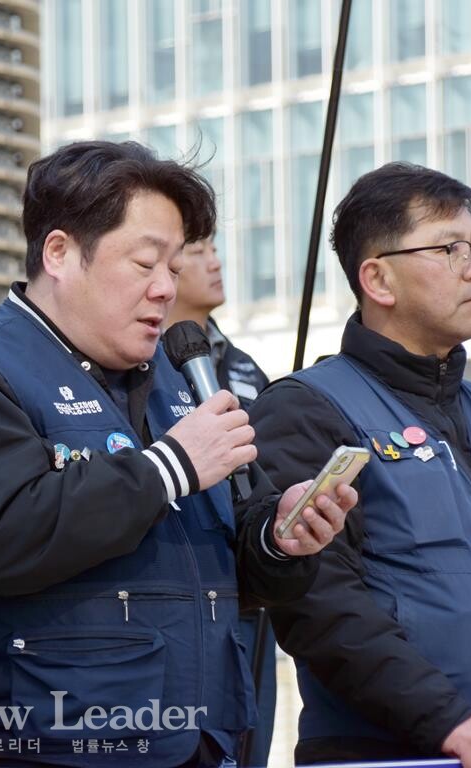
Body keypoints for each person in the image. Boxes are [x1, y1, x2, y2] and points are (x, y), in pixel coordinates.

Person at [0, 140, 356, 767]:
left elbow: (232, 561)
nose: (167, 288)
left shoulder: (181, 378)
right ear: (59, 253)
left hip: (205, 741)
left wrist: (281, 536)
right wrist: (169, 468)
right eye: (145, 263)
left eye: (175, 265)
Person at [248, 162, 471, 768]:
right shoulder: (308, 409)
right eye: (450, 248)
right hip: (395, 753)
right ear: (378, 279)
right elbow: (319, 605)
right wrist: (445, 719)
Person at [165, 235, 274, 767]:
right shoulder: (131, 363)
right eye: (199, 249)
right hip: (182, 588)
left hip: (250, 598)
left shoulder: (244, 366)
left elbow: (262, 472)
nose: (216, 260)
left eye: (216, 247)